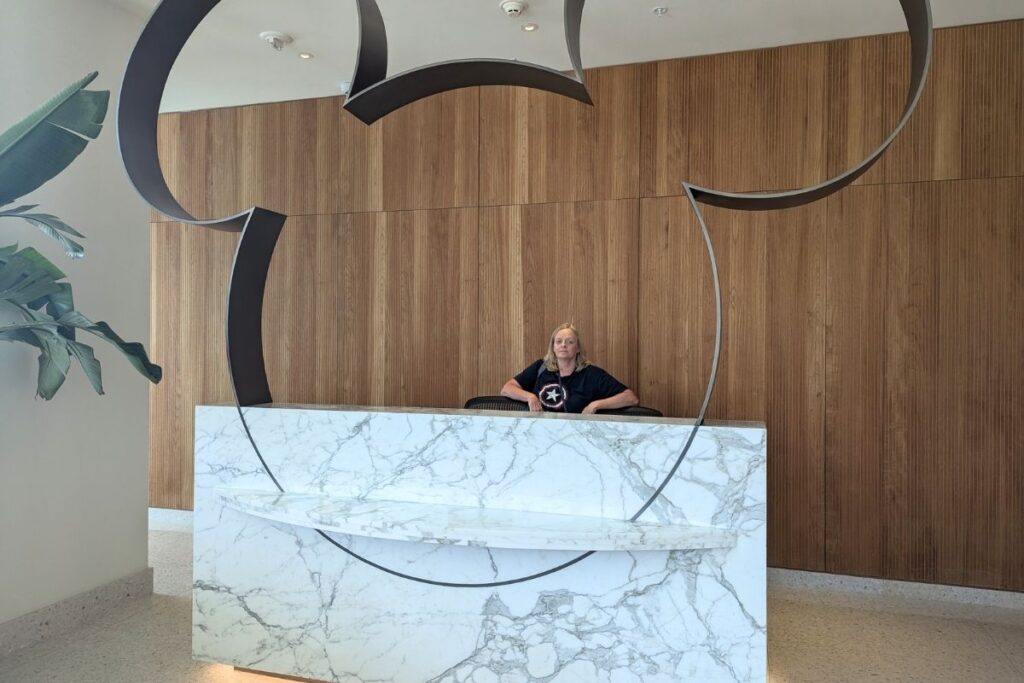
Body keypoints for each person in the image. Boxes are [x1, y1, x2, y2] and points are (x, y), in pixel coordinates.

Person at [500, 323, 639, 414]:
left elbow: (630, 398)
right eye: (558, 341)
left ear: (578, 348)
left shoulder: (591, 374)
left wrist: (596, 405)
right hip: (540, 436)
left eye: (570, 342)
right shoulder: (541, 367)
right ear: (553, 347)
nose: (563, 345)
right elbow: (506, 389)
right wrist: (530, 397)